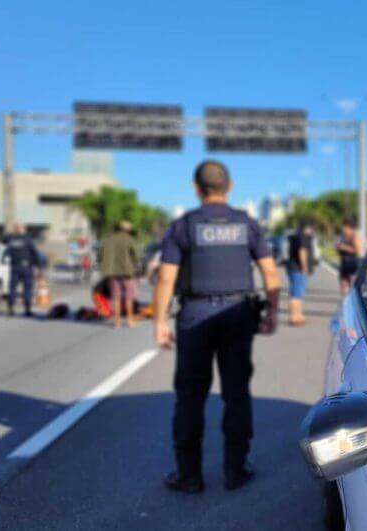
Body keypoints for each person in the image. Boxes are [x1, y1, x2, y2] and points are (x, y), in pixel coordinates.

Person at [153, 160, 280, 494]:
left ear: (196, 188)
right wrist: (273, 313)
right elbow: (269, 272)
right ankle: (235, 470)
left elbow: (166, 276)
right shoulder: (247, 224)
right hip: (238, 315)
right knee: (236, 394)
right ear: (231, 186)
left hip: (194, 317)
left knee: (190, 397)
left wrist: (159, 322)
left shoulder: (184, 225)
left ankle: (189, 475)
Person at [98, 220, 140, 328]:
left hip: (112, 272)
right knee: (128, 297)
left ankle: (117, 321)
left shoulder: (108, 240)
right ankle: (130, 320)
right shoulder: (130, 240)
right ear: (128, 230)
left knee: (115, 297)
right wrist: (136, 267)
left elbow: (99, 255)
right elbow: (136, 255)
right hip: (127, 272)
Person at [2, 223, 41, 317]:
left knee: (12, 289)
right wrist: (37, 266)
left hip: (14, 267)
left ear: (15, 229)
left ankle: (10, 310)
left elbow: (3, 239)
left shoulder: (10, 239)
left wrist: (12, 232)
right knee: (27, 288)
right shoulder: (27, 239)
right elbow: (34, 252)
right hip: (26, 267)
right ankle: (27, 310)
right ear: (24, 229)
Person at [286, 219, 314, 326]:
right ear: (307, 227)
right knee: (296, 293)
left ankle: (298, 315)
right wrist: (305, 266)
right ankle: (294, 317)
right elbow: (302, 251)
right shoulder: (303, 237)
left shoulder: (295, 236)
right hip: (298, 268)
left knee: (297, 292)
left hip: (293, 267)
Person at [335, 215, 362, 296]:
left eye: (344, 226)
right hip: (344, 262)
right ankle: (344, 301)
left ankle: (350, 301)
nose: (343, 228)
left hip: (352, 263)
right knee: (343, 284)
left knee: (351, 285)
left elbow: (357, 250)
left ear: (349, 226)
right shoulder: (343, 236)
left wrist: (344, 247)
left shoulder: (355, 236)